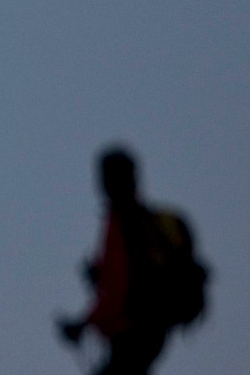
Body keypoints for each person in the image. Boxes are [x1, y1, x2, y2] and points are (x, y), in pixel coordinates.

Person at [57, 146, 206, 375]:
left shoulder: (121, 223)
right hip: (152, 332)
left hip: (132, 334)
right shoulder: (142, 222)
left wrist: (83, 324)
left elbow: (117, 289)